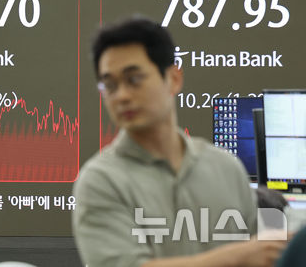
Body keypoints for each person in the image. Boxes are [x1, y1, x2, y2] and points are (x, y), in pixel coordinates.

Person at [73, 17, 287, 267]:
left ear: (174, 79)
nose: (121, 96)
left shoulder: (226, 168)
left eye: (134, 79)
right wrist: (237, 256)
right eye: (110, 85)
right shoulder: (101, 182)